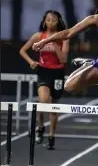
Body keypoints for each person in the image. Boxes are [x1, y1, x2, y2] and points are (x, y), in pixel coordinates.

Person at [20, 10, 69, 150]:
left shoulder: (63, 37)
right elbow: (22, 50)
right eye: (48, 20)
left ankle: (52, 136)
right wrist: (31, 62)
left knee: (53, 106)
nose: (51, 22)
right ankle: (41, 126)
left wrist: (54, 44)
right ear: (44, 21)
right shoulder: (39, 36)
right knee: (42, 101)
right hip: (44, 71)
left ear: (58, 21)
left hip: (58, 73)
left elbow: (64, 59)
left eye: (54, 20)